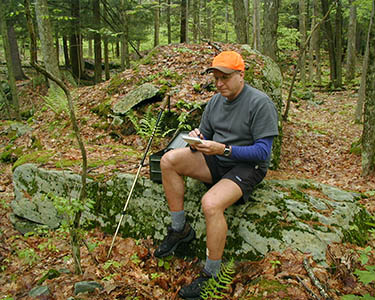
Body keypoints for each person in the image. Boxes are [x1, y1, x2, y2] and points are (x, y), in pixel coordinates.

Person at [154, 50, 279, 299]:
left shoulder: (260, 103)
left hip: (247, 167)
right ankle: (180, 229)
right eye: (216, 78)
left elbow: (263, 152)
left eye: (225, 77)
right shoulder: (214, 102)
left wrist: (225, 149)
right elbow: (206, 135)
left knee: (210, 203)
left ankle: (212, 274)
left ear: (240, 75)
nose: (219, 83)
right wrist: (197, 140)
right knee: (168, 160)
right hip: (217, 158)